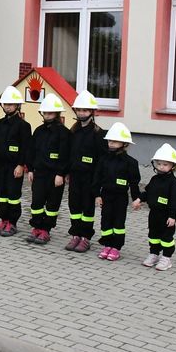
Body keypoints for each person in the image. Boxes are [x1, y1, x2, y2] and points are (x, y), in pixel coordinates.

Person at [25, 94, 72, 245]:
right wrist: (30, 169)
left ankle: (46, 230)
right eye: (45, 113)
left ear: (57, 114)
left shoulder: (64, 133)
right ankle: (36, 227)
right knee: (37, 202)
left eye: (50, 113)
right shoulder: (38, 131)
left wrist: (61, 173)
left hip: (55, 175)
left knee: (52, 205)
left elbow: (65, 155)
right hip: (39, 173)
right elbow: (31, 151)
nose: (47, 115)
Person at [65, 90, 105, 253]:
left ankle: (86, 238)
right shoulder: (73, 131)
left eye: (85, 110)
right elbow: (68, 154)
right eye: (79, 110)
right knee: (74, 207)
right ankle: (75, 234)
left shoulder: (98, 133)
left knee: (87, 208)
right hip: (75, 176)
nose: (81, 113)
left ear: (92, 112)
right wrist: (67, 172)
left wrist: (98, 183)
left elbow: (101, 160)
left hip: (90, 177)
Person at [93, 122, 141, 262]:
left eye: (115, 141)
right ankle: (107, 244)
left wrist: (137, 198)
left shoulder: (131, 163)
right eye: (109, 141)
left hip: (120, 197)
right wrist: (97, 195)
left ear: (124, 143)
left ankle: (116, 247)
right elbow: (97, 179)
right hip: (106, 195)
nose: (111, 144)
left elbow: (134, 183)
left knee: (118, 223)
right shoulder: (103, 160)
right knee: (105, 221)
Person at [0, 86, 31, 237]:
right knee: (2, 193)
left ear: (17, 106)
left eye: (10, 104)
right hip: (1, 165)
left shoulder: (24, 126)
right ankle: (3, 219)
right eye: (5, 104)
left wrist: (21, 164)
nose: (7, 106)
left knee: (13, 194)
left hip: (15, 166)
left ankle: (12, 222)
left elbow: (25, 147)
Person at [139, 143, 176, 271]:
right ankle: (154, 254)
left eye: (165, 164)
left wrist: (173, 216)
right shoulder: (154, 179)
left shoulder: (175, 184)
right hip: (154, 215)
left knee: (166, 238)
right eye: (159, 164)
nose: (161, 167)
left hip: (167, 217)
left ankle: (166, 258)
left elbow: (175, 202)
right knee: (153, 235)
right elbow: (148, 193)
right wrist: (139, 199)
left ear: (172, 166)